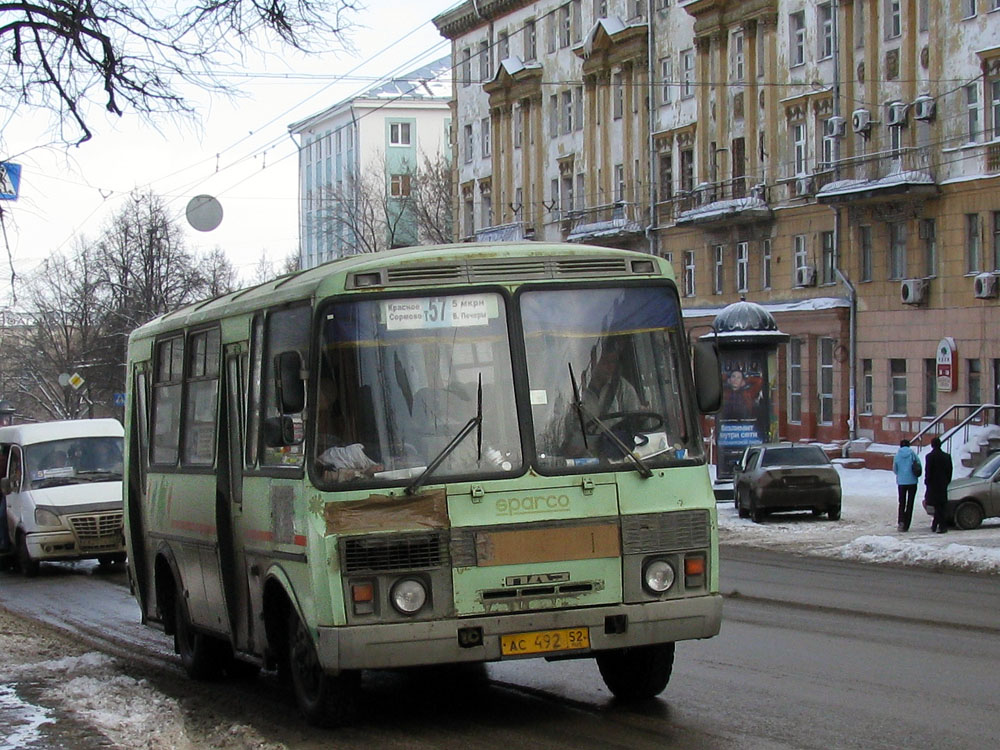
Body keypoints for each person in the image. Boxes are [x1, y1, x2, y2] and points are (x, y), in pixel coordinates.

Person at [924, 436, 953, 533]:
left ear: (932, 445)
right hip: (943, 484)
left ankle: (941, 526)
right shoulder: (946, 456)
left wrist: (927, 482)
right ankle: (936, 525)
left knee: (937, 506)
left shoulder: (929, 457)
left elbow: (928, 471)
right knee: (941, 505)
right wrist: (946, 481)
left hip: (933, 485)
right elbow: (950, 471)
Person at [892, 438, 920, 531]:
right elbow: (919, 465)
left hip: (901, 482)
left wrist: (900, 475)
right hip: (912, 482)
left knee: (902, 503)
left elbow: (895, 469)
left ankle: (901, 522)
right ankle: (907, 524)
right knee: (910, 503)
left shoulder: (897, 455)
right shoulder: (912, 454)